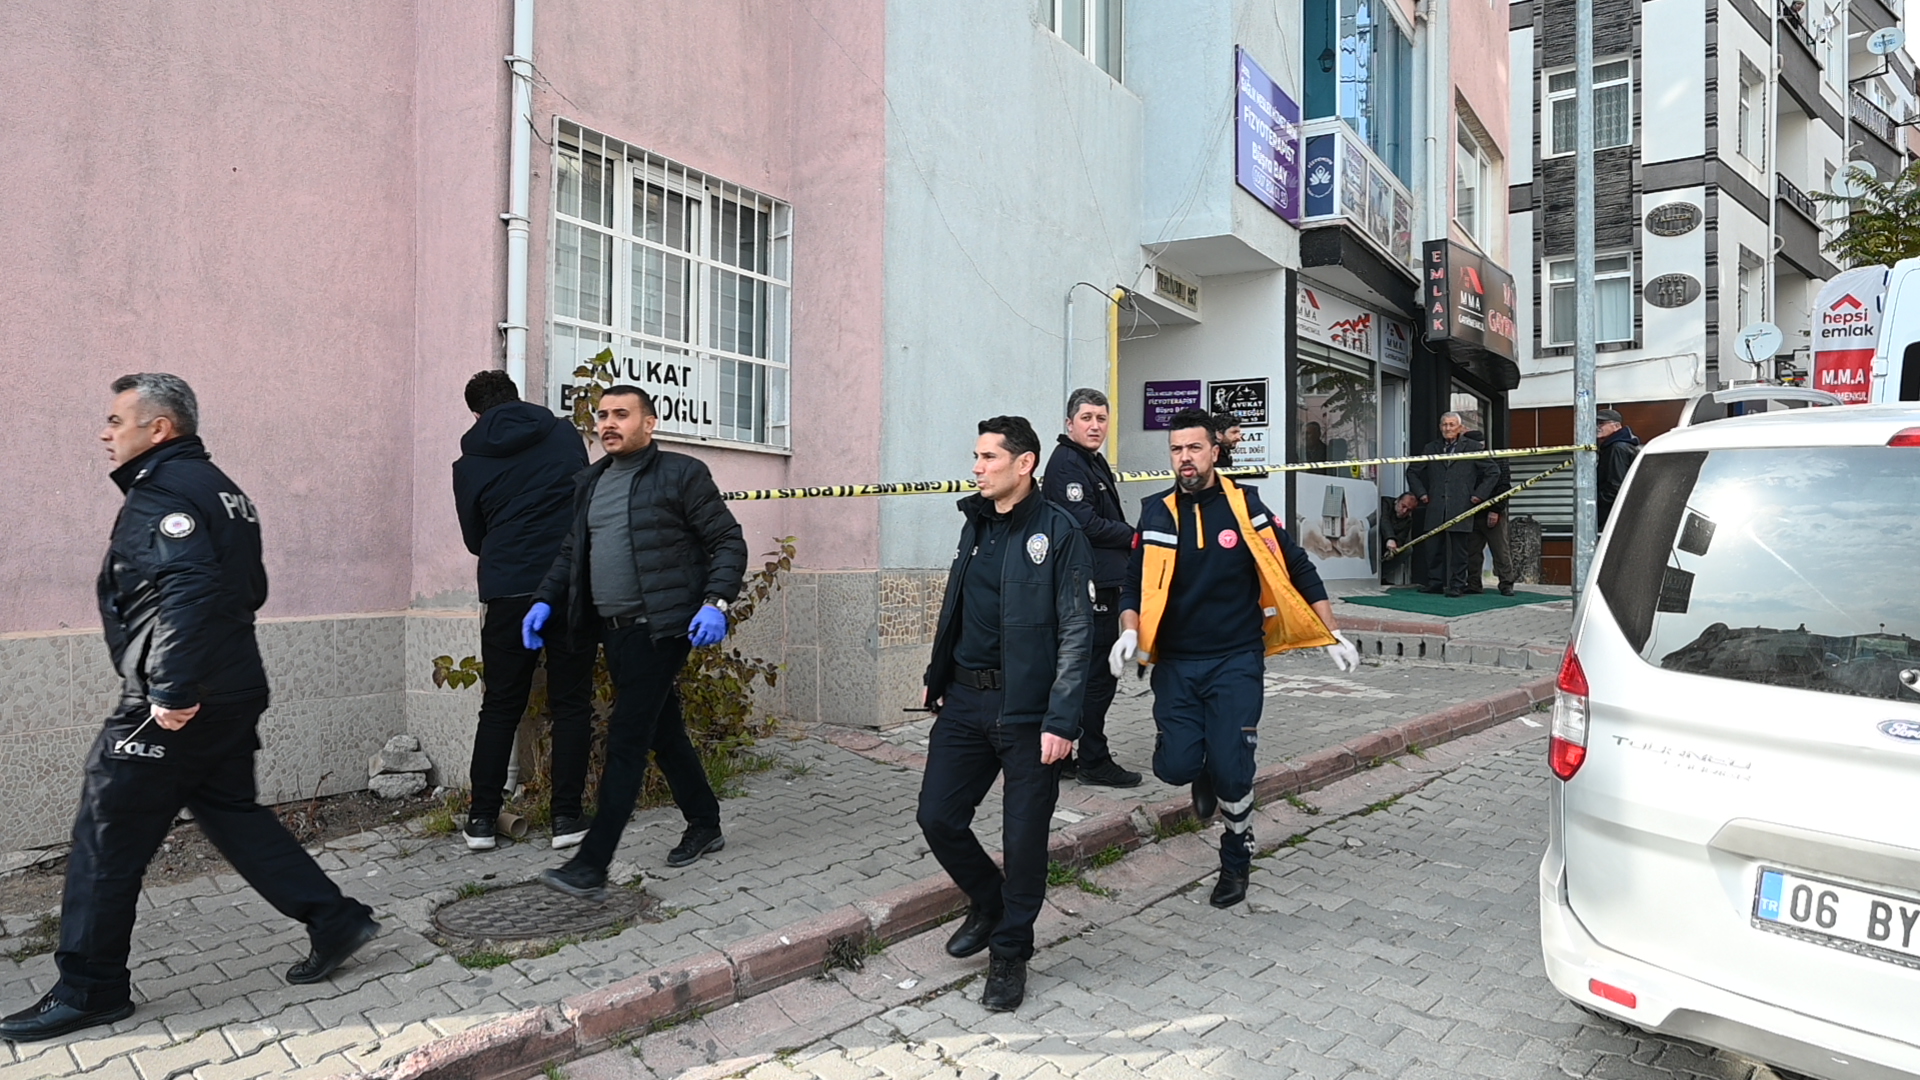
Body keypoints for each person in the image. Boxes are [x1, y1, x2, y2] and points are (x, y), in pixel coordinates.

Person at [2, 375, 379, 1043]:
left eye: (116, 420)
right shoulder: (224, 491)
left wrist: (171, 687)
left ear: (159, 429)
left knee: (106, 834)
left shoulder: (163, 492)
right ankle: (334, 919)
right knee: (231, 811)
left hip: (177, 697)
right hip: (233, 684)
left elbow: (190, 582)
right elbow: (250, 586)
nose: (104, 432)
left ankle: (90, 989)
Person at [1109, 409, 1360, 910]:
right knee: (1175, 767)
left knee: (1234, 768)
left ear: (1214, 451)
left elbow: (1296, 565)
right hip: (1175, 662)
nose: (1184, 458)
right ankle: (1202, 768)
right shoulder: (1156, 512)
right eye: (1177, 449)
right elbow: (1132, 582)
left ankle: (1237, 848)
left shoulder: (1246, 506)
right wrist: (1129, 630)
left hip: (1236, 658)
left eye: (1194, 448)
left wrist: (1329, 630)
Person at [527, 385, 748, 901]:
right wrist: (545, 599)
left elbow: (726, 540)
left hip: (662, 627)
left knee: (626, 737)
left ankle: (591, 864)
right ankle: (705, 821)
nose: (608, 423)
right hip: (613, 629)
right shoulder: (591, 481)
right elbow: (572, 551)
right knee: (662, 730)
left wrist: (716, 602)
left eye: (621, 414)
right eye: (602, 415)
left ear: (649, 423)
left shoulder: (682, 473)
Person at [919, 416, 1093, 1012]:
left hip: (1030, 712)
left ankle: (1010, 953)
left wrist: (1062, 719)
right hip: (965, 700)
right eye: (976, 456)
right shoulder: (974, 522)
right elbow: (956, 606)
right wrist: (939, 677)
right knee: (937, 816)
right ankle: (990, 903)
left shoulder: (1059, 531)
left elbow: (1076, 629)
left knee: (1023, 841)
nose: (977, 467)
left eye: (989, 457)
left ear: (1025, 463)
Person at [452, 370, 596, 851]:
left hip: (508, 591)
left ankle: (480, 820)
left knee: (500, 706)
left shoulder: (468, 463)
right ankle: (567, 819)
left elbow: (475, 539)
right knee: (571, 704)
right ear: (517, 397)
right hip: (568, 586)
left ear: (476, 415)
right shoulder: (564, 434)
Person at [1040, 389, 1143, 788]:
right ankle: (1093, 760)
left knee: (1086, 675)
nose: (1095, 425)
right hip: (1089, 586)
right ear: (1070, 424)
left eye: (1101, 418)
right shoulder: (1068, 463)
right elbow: (1083, 522)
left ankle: (1064, 756)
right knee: (1097, 677)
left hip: (1101, 582)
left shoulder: (1090, 460)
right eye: (1086, 418)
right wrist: (1133, 536)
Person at [1405, 412, 1498, 597]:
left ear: (1460, 428)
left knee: (1459, 550)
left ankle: (1457, 585)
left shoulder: (1472, 447)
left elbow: (1493, 472)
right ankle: (1435, 583)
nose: (1447, 428)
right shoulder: (1431, 448)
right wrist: (1422, 494)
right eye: (1444, 425)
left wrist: (1479, 495)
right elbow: (1412, 472)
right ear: (1440, 427)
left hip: (1461, 505)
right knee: (1433, 548)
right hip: (1436, 505)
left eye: (1451, 425)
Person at [1462, 427, 1516, 596]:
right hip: (1472, 511)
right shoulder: (1464, 461)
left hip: (1492, 510)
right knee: (1472, 550)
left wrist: (1496, 509)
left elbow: (1504, 487)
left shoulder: (1497, 459)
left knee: (1500, 549)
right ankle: (1473, 583)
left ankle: (1506, 583)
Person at [1596, 408, 1642, 529]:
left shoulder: (1617, 448)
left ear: (1616, 426)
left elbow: (1615, 486)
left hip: (1612, 516)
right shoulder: (1620, 446)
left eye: (1601, 423)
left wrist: (1596, 503)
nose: (1597, 427)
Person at [1380, 492, 1421, 586]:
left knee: (1407, 550)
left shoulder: (1408, 520)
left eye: (1408, 510)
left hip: (1387, 547)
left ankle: (1381, 575)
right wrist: (1390, 538)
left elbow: (1401, 539)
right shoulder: (1385, 503)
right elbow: (1384, 520)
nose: (1404, 511)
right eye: (1403, 506)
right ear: (1397, 501)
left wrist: (1392, 550)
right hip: (1374, 538)